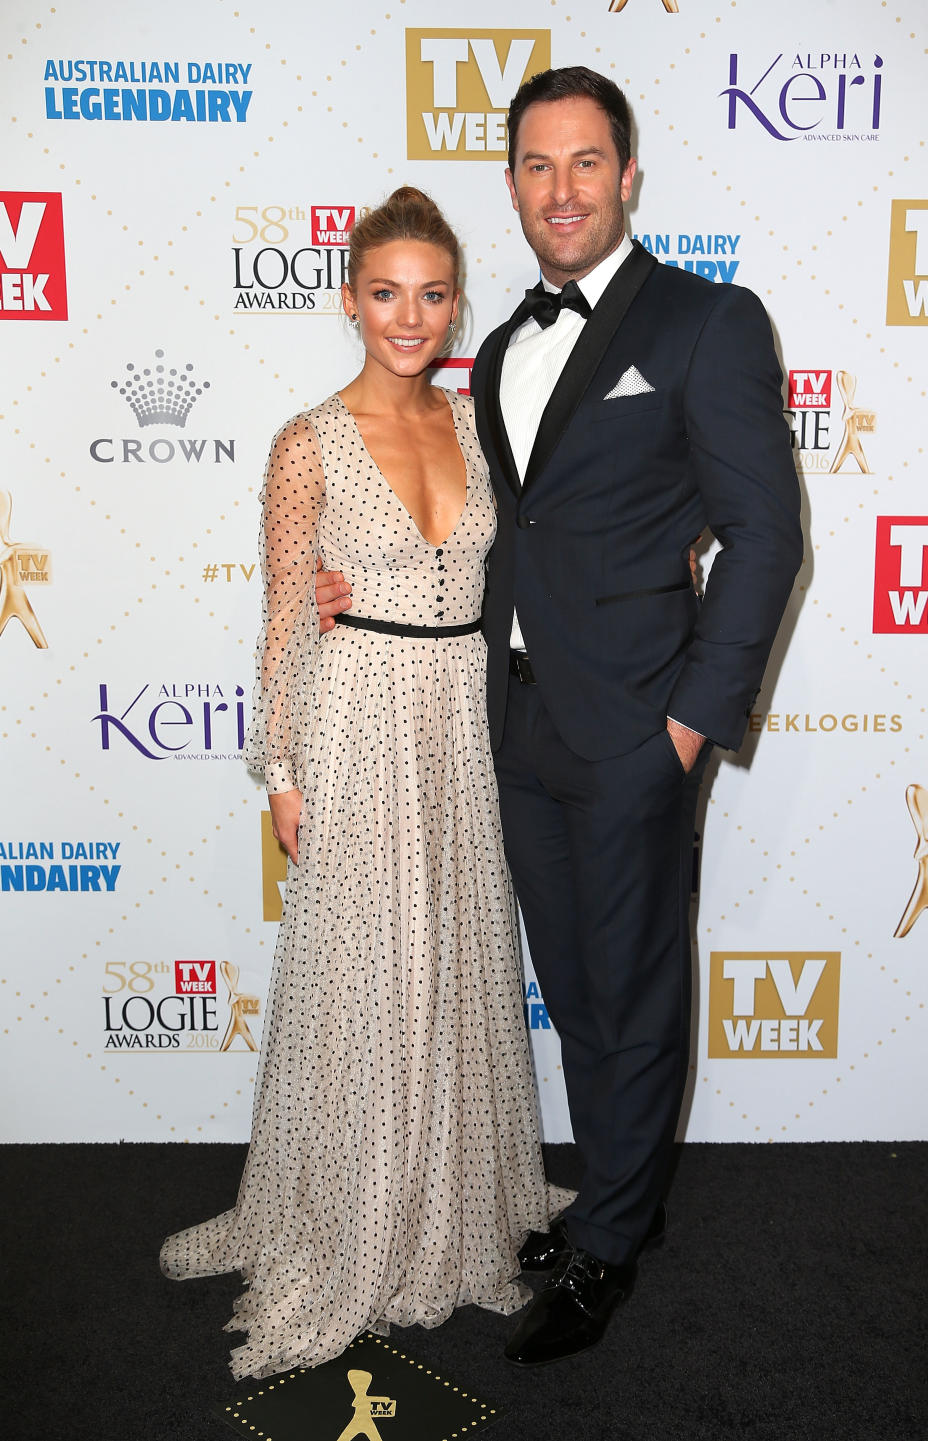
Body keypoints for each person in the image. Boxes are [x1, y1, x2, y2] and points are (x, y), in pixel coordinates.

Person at [317, 67, 804, 1368]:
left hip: (641, 725)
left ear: (628, 177)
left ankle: (610, 1247)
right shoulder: (500, 348)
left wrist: (693, 729)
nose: (561, 189)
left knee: (633, 990)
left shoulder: (708, 323)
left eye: (585, 163)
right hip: (513, 723)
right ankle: (612, 1204)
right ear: (516, 186)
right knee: (579, 989)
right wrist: (353, 582)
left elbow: (765, 539)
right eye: (536, 167)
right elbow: (490, 530)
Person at [159, 187, 559, 1380]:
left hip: (458, 722)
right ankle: (348, 1222)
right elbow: (285, 617)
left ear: (457, 305)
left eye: (433, 294)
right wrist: (280, 774)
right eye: (386, 292)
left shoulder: (478, 424)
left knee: (453, 958)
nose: (410, 315)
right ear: (348, 297)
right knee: (365, 974)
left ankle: (453, 1204)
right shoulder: (306, 442)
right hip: (357, 723)